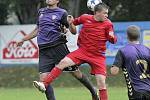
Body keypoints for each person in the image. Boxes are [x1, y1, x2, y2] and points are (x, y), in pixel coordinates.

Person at [16, 0, 99, 100]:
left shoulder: (62, 13)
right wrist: (24, 39)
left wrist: (71, 23)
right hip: (43, 50)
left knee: (76, 73)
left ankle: (93, 91)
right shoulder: (41, 12)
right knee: (43, 80)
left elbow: (73, 31)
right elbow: (38, 29)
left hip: (58, 47)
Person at [33, 3, 117, 100]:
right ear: (97, 12)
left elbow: (113, 40)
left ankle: (95, 93)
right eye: (105, 13)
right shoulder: (85, 18)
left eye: (107, 13)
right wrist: (69, 22)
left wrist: (112, 37)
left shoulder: (108, 23)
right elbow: (73, 24)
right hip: (82, 52)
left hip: (98, 56)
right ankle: (44, 84)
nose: (107, 15)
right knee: (63, 62)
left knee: (101, 83)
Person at [111, 25, 150, 100]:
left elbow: (114, 72)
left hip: (136, 91)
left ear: (127, 36)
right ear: (139, 36)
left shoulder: (123, 51)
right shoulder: (147, 50)